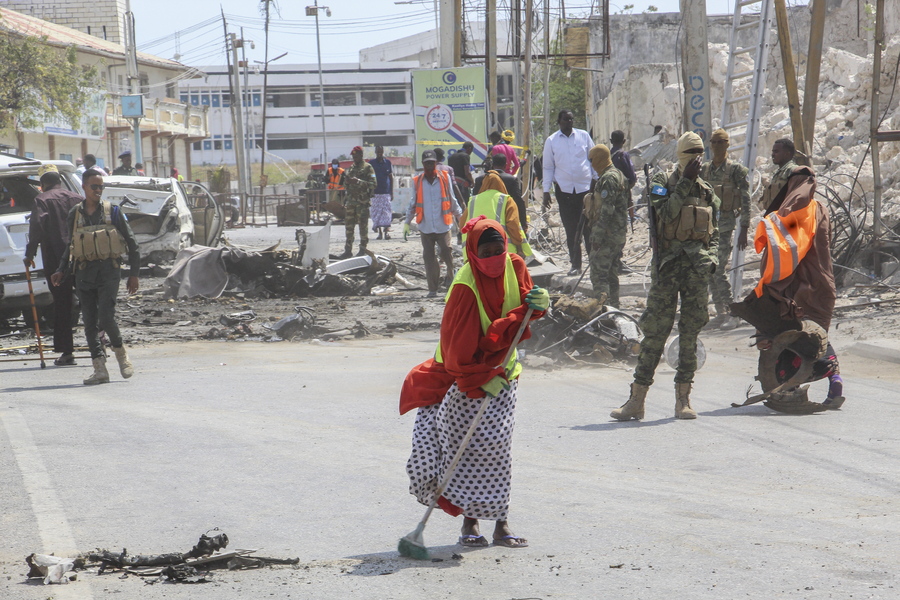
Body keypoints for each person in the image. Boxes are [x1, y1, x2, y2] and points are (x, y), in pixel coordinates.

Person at [399, 216, 548, 549]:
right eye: (487, 252)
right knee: (465, 451)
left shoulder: (515, 264)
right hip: (463, 377)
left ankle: (501, 523)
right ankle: (470, 522)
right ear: (473, 254)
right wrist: (481, 378)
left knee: (498, 450)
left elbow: (525, 307)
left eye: (500, 249)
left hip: (503, 374)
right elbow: (457, 353)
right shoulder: (465, 288)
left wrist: (540, 304)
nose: (495, 258)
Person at [610, 131, 719, 421]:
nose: (696, 159)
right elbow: (666, 215)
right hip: (667, 269)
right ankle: (636, 400)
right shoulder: (660, 183)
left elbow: (715, 232)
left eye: (699, 153)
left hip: (696, 269)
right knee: (655, 334)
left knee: (689, 334)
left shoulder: (707, 191)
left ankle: (683, 399)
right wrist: (683, 183)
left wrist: (714, 259)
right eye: (690, 153)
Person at [734, 141, 843, 409]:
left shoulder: (799, 214)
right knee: (812, 337)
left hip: (800, 288)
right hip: (819, 287)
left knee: (797, 335)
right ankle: (832, 385)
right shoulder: (819, 209)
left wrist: (771, 224)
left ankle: (796, 385)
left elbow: (787, 251)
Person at [51, 169, 140, 385]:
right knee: (89, 322)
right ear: (84, 187)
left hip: (109, 272)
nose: (98, 190)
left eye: (101, 186)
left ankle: (121, 355)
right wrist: (61, 269)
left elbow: (132, 243)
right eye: (94, 186)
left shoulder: (113, 211)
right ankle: (99, 369)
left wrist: (134, 275)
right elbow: (70, 246)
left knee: (106, 318)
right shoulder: (75, 213)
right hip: (83, 274)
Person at [23, 164, 83, 366]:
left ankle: (67, 352)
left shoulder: (41, 200)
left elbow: (36, 228)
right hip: (82, 258)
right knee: (91, 301)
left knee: (62, 304)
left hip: (56, 261)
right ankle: (98, 348)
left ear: (42, 184)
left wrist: (29, 254)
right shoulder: (77, 198)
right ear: (59, 180)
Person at [701, 129, 751, 329]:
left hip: (725, 226)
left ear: (727, 145)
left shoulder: (736, 170)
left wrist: (744, 228)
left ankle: (732, 311)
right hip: (706, 227)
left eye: (720, 142)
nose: (716, 146)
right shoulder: (705, 170)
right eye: (713, 142)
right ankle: (721, 311)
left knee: (718, 268)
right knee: (709, 268)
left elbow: (746, 199)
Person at [542, 110, 597, 276]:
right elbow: (548, 167)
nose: (569, 122)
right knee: (571, 229)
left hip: (586, 190)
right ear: (559, 121)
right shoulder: (551, 141)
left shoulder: (584, 136)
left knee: (589, 228)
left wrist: (598, 180)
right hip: (564, 191)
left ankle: (593, 265)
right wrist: (546, 192)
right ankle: (576, 265)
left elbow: (593, 159)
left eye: (571, 119)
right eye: (566, 119)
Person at [404, 150, 463, 298]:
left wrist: (461, 219)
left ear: (436, 163)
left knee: (447, 252)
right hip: (426, 226)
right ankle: (433, 289)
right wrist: (407, 222)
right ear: (423, 164)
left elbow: (451, 198)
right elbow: (413, 202)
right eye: (427, 163)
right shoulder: (417, 181)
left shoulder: (445, 178)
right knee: (429, 258)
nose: (430, 165)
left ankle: (451, 280)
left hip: (443, 225)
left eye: (432, 162)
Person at [585, 144, 628, 307]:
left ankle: (603, 310)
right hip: (616, 234)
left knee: (599, 275)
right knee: (611, 274)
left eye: (592, 160)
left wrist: (597, 235)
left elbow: (607, 210)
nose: (591, 164)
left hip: (608, 235)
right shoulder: (617, 174)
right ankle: (613, 309)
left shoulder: (609, 178)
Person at [461, 170, 529, 257]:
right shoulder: (506, 200)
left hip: (477, 251)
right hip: (504, 250)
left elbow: (462, 225)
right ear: (501, 184)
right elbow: (513, 225)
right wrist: (519, 248)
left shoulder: (473, 201)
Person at [474, 154, 528, 236]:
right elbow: (518, 201)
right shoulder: (511, 179)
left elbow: (474, 201)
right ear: (506, 165)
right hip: (506, 218)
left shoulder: (480, 179)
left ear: (492, 165)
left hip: (484, 218)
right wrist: (523, 222)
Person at [340, 146, 376, 258]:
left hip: (362, 202)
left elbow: (373, 184)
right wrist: (347, 182)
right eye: (353, 156)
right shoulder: (351, 168)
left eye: (356, 156)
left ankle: (363, 249)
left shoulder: (368, 168)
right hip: (351, 201)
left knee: (362, 226)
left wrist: (358, 182)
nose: (354, 158)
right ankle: (348, 250)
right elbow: (346, 184)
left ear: (361, 155)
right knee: (349, 227)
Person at [758, 138, 797, 211]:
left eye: (776, 152)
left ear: (787, 154)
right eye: (773, 152)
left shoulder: (793, 170)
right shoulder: (779, 173)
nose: (773, 154)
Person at [368, 145, 394, 240]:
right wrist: (370, 191)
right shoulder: (371, 163)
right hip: (375, 193)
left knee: (387, 213)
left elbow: (391, 178)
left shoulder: (387, 163)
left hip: (386, 192)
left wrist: (392, 192)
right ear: (375, 152)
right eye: (378, 152)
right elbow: (368, 178)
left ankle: (386, 232)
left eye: (381, 152)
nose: (379, 154)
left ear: (383, 152)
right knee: (376, 213)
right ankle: (379, 233)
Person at [447, 142, 475, 207]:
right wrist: (472, 182)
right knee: (465, 205)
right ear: (469, 148)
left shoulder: (451, 157)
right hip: (462, 185)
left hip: (453, 184)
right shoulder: (465, 156)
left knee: (456, 205)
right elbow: (467, 173)